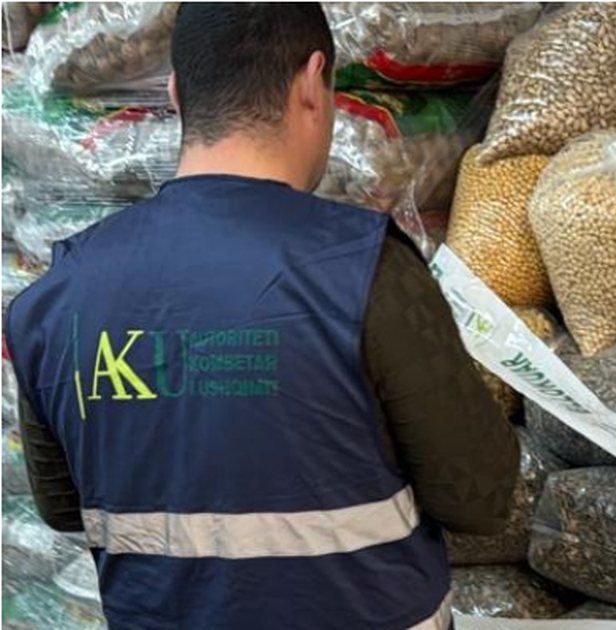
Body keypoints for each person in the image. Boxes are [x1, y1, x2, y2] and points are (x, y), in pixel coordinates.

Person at [5, 5, 518, 629]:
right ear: (311, 82)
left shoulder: (55, 298)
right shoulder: (364, 270)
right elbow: (480, 497)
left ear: (175, 93)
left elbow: (63, 507)